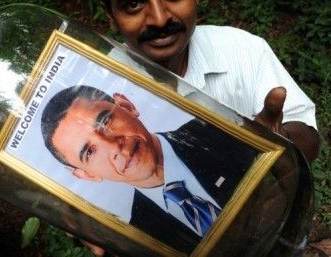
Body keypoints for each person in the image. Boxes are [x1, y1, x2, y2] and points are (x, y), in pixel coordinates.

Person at [92, 0, 319, 163]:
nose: (160, 20)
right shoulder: (97, 87)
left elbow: (307, 136)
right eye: (133, 5)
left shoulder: (243, 49)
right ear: (110, 15)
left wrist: (278, 142)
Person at [40, 85, 258, 253]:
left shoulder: (217, 132)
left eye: (105, 121)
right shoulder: (138, 237)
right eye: (89, 152)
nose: (114, 145)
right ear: (87, 174)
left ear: (126, 106)